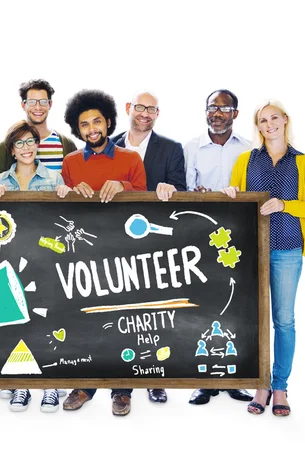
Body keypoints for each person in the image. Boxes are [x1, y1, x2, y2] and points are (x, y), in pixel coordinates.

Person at [221, 100, 305, 416]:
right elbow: (234, 198)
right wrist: (229, 194)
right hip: (251, 251)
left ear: (285, 120)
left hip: (287, 249)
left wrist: (284, 204)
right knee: (254, 320)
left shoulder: (302, 162)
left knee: (284, 320)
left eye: (274, 118)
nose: (269, 124)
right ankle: (260, 385)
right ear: (258, 127)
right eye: (263, 120)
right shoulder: (246, 160)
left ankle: (280, 388)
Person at [60, 89, 146, 416]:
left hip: (123, 252)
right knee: (85, 321)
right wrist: (70, 193)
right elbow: (64, 212)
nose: (92, 128)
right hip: (83, 254)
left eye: (97, 121)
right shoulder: (70, 163)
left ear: (109, 122)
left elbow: (144, 201)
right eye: (84, 124)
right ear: (77, 129)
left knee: (124, 321)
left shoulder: (130, 159)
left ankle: (122, 389)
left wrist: (125, 187)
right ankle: (84, 384)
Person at [110, 91, 187, 406]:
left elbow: (180, 189)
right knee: (121, 312)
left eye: (151, 109)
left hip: (155, 242)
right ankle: (121, 388)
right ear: (129, 109)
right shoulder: (108, 146)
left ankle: (155, 378)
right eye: (139, 107)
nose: (145, 114)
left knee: (156, 313)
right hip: (114, 240)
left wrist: (170, 189)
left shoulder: (171, 149)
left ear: (157, 114)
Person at [0, 120, 71, 412]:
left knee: (47, 320)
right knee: (17, 319)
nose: (26, 148)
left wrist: (65, 198)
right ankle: (22, 384)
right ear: (11, 150)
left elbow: (65, 225)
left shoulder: (55, 179)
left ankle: (49, 384)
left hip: (46, 260)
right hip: (12, 261)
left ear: (38, 146)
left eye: (31, 142)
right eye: (20, 143)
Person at [184, 89, 254, 405]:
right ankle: (205, 380)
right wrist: (196, 194)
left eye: (224, 108)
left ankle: (235, 377)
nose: (217, 113)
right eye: (212, 107)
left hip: (239, 239)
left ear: (235, 114)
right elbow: (183, 192)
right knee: (205, 304)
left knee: (238, 307)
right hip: (203, 239)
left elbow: (255, 193)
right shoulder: (191, 149)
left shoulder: (250, 151)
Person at [0, 79, 77, 177]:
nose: (38, 107)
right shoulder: (4, 148)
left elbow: (74, 185)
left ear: (50, 104)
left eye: (43, 102)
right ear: (23, 105)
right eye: (32, 102)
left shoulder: (67, 145)